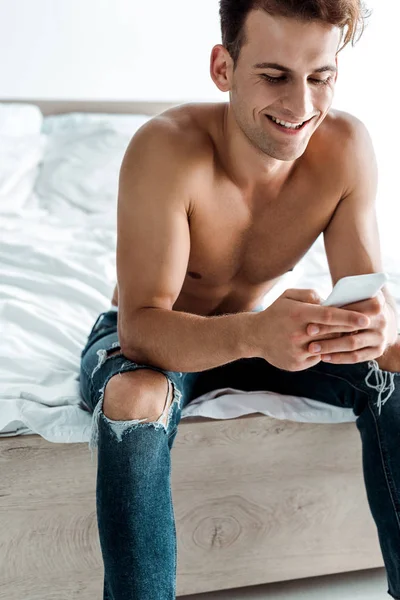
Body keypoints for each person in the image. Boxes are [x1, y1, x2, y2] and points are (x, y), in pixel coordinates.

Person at [79, 1, 400, 598]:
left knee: (398, 366)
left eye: (319, 78)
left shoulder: (346, 147)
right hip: (160, 338)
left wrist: (374, 329)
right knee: (134, 396)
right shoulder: (166, 148)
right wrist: (256, 334)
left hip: (257, 330)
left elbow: (363, 303)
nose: (300, 106)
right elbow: (140, 328)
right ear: (223, 68)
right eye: (274, 76)